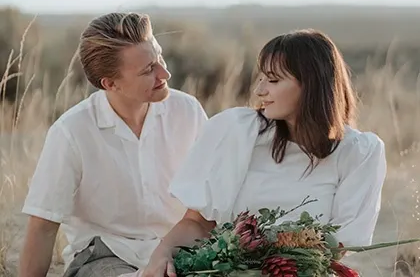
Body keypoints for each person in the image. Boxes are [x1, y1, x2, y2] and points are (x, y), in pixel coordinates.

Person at [142, 28, 387, 277]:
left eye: (273, 80)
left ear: (311, 85)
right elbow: (197, 222)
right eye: (261, 78)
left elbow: (336, 248)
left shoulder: (359, 152)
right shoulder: (236, 131)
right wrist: (163, 252)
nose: (260, 91)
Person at [18, 12, 208, 277]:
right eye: (148, 70)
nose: (165, 73)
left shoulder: (188, 111)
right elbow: (43, 227)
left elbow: (210, 202)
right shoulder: (71, 131)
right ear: (110, 83)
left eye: (160, 58)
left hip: (179, 248)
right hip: (104, 256)